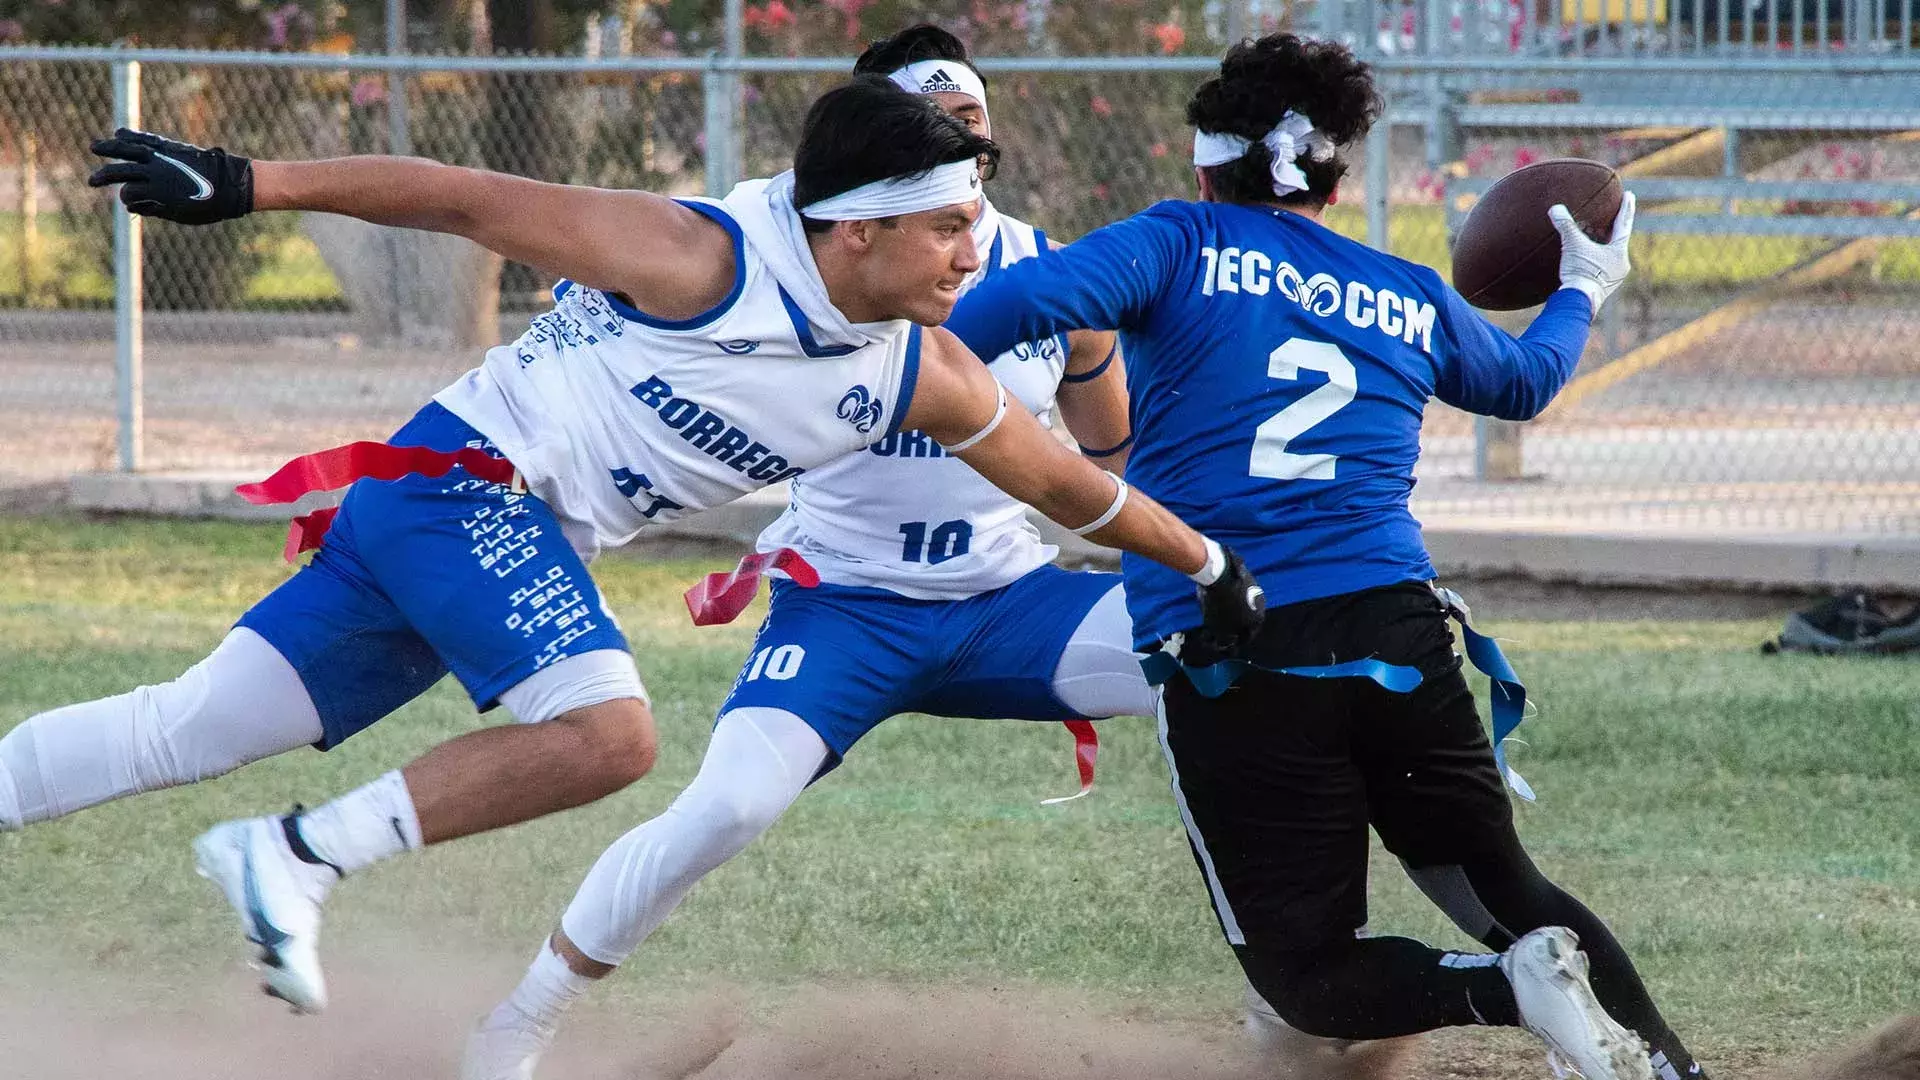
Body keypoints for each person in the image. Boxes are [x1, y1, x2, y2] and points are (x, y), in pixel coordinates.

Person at [0, 77, 1263, 1018]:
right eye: (945, 226)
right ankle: (291, 853)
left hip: (470, 528)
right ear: (857, 233)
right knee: (613, 736)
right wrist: (246, 180)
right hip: (460, 488)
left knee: (190, 727)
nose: (973, 251)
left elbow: (1073, 488)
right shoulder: (700, 255)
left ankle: (254, 843)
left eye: (975, 219)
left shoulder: (925, 368)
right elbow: (465, 196)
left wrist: (1207, 569)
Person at [943, 32, 1706, 1080]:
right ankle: (1674, 1071)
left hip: (1237, 634)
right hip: (1398, 629)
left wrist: (908, 383)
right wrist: (1583, 284)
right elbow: (1524, 381)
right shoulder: (1406, 288)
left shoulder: (1176, 241)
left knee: (1304, 976)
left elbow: (1003, 308)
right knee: (1506, 889)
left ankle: (1507, 989)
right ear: (1338, 180)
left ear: (1207, 166)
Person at [457, 27, 1164, 1080]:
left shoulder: (1052, 274)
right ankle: (519, 1022)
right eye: (923, 126)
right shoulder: (802, 271)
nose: (951, 144)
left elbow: (1120, 462)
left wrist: (1186, 544)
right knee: (730, 803)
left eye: (966, 121)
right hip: (848, 608)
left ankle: (1298, 985)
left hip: (1008, 600)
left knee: (1235, 665)